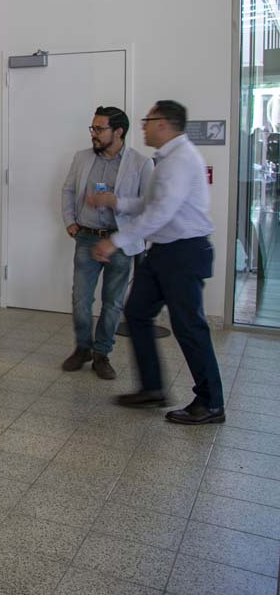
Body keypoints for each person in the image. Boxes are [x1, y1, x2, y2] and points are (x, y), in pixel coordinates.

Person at [91, 100, 225, 424]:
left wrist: (115, 241)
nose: (144, 126)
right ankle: (152, 389)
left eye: (147, 121)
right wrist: (117, 202)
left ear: (163, 123)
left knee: (189, 327)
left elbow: (160, 213)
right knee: (136, 313)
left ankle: (210, 402)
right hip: (163, 252)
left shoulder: (180, 160)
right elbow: (150, 203)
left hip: (183, 252)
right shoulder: (167, 159)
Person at [60, 106, 153, 379]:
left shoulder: (140, 163)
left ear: (118, 131)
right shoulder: (82, 158)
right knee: (81, 298)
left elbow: (149, 205)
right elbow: (67, 189)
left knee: (112, 302)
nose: (94, 134)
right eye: (93, 128)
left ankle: (102, 353)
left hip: (120, 241)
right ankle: (82, 348)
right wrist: (69, 220)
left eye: (99, 129)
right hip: (87, 237)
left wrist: (116, 203)